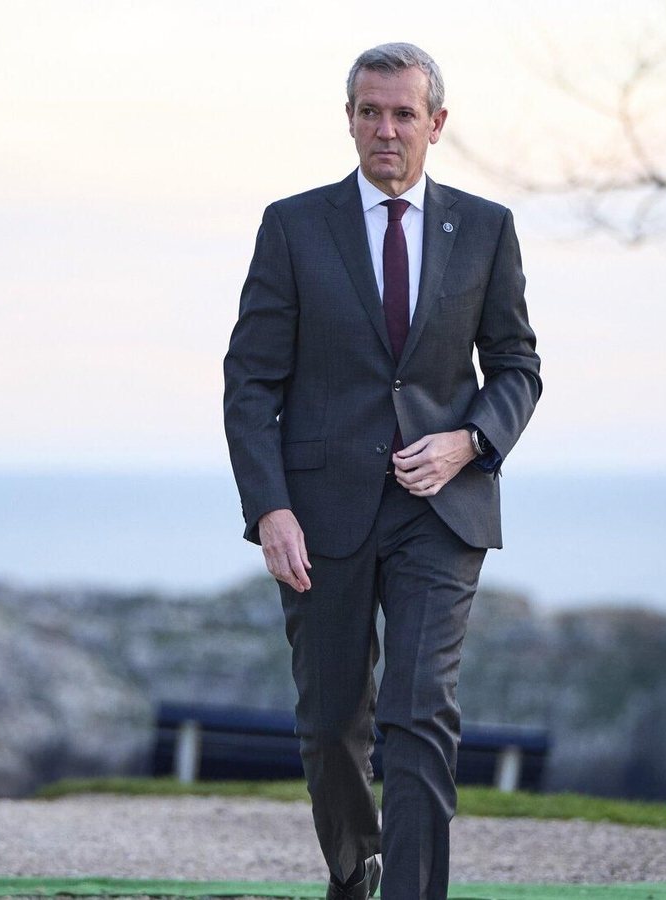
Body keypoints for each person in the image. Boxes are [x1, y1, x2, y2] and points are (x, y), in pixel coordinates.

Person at [221, 42, 543, 900]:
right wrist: (270, 510)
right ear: (350, 119)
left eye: (403, 114)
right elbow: (250, 382)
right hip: (319, 516)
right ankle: (355, 865)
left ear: (437, 124)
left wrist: (469, 440)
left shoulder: (485, 228)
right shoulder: (293, 226)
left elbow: (517, 365)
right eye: (370, 112)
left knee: (417, 713)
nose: (385, 130)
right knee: (332, 726)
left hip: (442, 510)